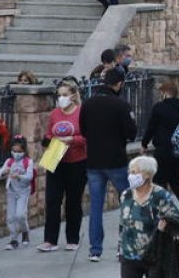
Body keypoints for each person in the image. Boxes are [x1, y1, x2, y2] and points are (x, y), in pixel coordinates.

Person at [79, 67, 137, 261]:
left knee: (95, 207)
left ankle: (95, 249)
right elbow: (131, 132)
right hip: (116, 161)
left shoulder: (88, 104)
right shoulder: (121, 105)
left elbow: (83, 130)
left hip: (94, 161)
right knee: (127, 203)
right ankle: (124, 244)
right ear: (119, 83)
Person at [141, 81, 179, 222]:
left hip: (162, 151)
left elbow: (151, 128)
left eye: (161, 92)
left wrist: (144, 144)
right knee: (176, 182)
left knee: (157, 183)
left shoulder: (159, 108)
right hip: (178, 153)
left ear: (165, 93)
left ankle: (161, 215)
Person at [38, 79, 88, 253]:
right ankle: (50, 240)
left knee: (73, 202)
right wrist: (49, 140)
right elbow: (49, 133)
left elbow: (87, 137)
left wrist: (71, 140)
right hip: (56, 161)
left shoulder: (81, 113)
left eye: (65, 95)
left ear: (73, 96)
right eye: (59, 95)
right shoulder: (54, 114)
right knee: (52, 201)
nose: (61, 98)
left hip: (77, 162)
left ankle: (72, 238)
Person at [115, 155, 179, 278]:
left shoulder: (160, 195)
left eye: (134, 172)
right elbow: (122, 224)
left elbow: (176, 220)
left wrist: (163, 227)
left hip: (154, 254)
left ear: (147, 174)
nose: (130, 175)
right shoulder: (126, 194)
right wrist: (120, 248)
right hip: (129, 254)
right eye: (130, 172)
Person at [0, 136, 35, 250]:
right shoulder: (9, 162)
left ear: (24, 151)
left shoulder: (28, 162)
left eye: (19, 151)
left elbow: (29, 177)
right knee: (11, 217)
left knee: (20, 215)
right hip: (11, 191)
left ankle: (25, 231)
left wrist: (19, 176)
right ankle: (13, 239)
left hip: (23, 191)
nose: (16, 154)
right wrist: (4, 172)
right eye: (14, 151)